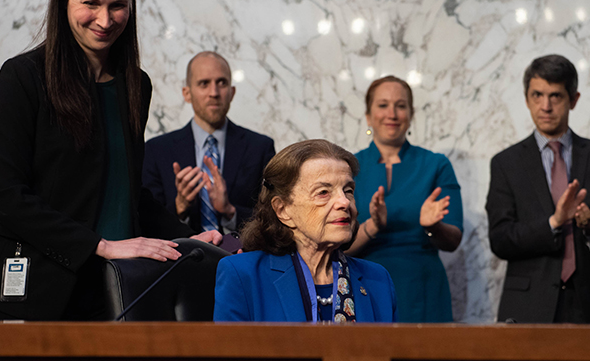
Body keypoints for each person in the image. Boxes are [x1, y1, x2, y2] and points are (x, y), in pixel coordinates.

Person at [0, 0, 218, 321]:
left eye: (117, 5)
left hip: (114, 290)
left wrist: (184, 238)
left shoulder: (136, 84)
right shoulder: (23, 76)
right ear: (63, 1)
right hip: (36, 293)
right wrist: (99, 245)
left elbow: (125, 191)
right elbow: (6, 197)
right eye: (90, 3)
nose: (105, 20)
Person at [486, 55, 590, 323]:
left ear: (573, 100)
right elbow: (500, 239)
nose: (546, 106)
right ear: (526, 98)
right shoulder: (506, 164)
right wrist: (554, 222)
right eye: (537, 95)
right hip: (527, 308)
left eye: (555, 96)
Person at [214, 139, 398, 322]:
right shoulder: (242, 275)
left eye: (348, 190)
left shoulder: (377, 280)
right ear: (283, 210)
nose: (344, 202)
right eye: (323, 192)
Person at [346, 76, 462, 323]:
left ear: (411, 114)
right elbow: (337, 245)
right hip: (362, 285)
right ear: (368, 116)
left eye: (400, 105)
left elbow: (453, 239)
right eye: (383, 105)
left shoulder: (436, 165)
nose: (392, 113)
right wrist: (373, 226)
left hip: (423, 287)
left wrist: (433, 226)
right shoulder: (348, 168)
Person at [143, 52, 275, 235]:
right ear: (186, 93)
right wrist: (179, 207)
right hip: (181, 259)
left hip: (241, 257)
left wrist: (230, 211)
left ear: (232, 92)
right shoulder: (156, 150)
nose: (214, 93)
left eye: (222, 83)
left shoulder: (260, 148)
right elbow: (145, 222)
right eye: (204, 83)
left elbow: (275, 217)